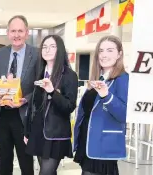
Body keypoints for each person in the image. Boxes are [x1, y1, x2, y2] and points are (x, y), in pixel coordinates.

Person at [73, 35, 129, 175]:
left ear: (119, 54)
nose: (104, 55)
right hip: (87, 141)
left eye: (110, 50)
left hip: (104, 144)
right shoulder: (97, 79)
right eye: (101, 51)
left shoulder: (123, 79)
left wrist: (106, 96)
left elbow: (124, 114)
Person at [24, 35, 78, 175]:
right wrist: (27, 131)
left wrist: (52, 91)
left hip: (55, 134)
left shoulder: (69, 75)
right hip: (38, 131)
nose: (47, 50)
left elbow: (69, 107)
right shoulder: (40, 73)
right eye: (45, 47)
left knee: (46, 172)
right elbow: (33, 106)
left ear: (60, 49)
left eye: (52, 46)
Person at [0, 15, 37, 175]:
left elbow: (40, 86)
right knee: (4, 160)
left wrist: (26, 99)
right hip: (2, 115)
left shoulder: (36, 55)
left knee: (26, 161)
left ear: (27, 33)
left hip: (24, 116)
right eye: (13, 31)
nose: (16, 35)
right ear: (8, 33)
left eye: (20, 31)